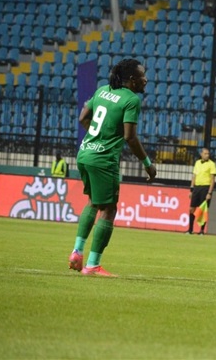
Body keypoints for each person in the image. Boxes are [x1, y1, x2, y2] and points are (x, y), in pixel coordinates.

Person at [68, 58, 157, 277]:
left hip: (85, 153)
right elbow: (130, 137)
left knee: (92, 202)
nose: (146, 79)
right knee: (109, 209)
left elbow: (83, 117)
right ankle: (92, 265)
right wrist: (147, 164)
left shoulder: (102, 91)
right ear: (132, 80)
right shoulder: (131, 100)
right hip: (103, 159)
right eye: (142, 76)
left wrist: (97, 137)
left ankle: (77, 252)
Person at [187, 147, 216, 235]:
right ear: (201, 154)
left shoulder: (212, 164)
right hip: (197, 188)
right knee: (191, 209)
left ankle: (201, 230)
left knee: (204, 209)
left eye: (208, 154)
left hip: (205, 188)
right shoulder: (197, 163)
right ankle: (190, 230)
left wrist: (209, 193)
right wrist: (191, 190)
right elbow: (194, 176)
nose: (207, 155)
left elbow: (212, 180)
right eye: (205, 154)